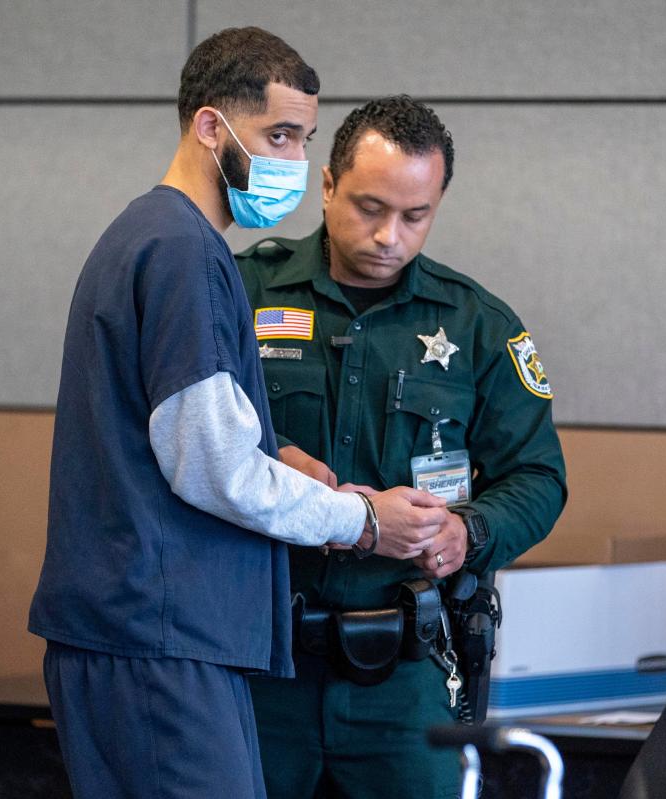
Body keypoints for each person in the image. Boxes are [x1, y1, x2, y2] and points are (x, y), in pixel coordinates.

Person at [28, 30, 451, 799]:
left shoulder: (152, 238)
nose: (293, 160)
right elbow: (213, 468)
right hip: (160, 636)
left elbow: (190, 439)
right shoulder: (183, 250)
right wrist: (360, 517)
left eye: (303, 138)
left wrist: (272, 456)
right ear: (211, 127)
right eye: (278, 135)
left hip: (145, 632)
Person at [237, 95, 568, 799]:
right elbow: (189, 434)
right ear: (326, 186)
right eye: (368, 207)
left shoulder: (477, 323)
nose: (390, 234)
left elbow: (537, 476)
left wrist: (467, 531)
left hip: (405, 675)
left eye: (415, 216)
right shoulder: (244, 292)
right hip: (260, 666)